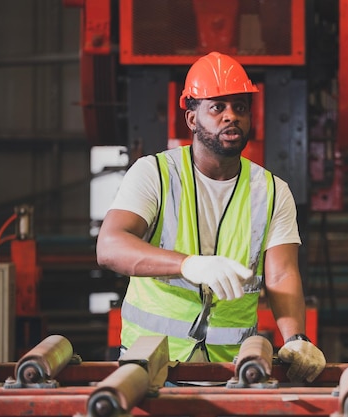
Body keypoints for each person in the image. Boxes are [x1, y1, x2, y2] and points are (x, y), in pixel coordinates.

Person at [96, 51, 325, 383]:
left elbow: (281, 275)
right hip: (152, 365)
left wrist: (296, 339)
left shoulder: (272, 191)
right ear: (191, 119)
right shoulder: (155, 174)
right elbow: (111, 246)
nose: (231, 116)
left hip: (233, 369)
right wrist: (189, 264)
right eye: (217, 107)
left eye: (240, 107)